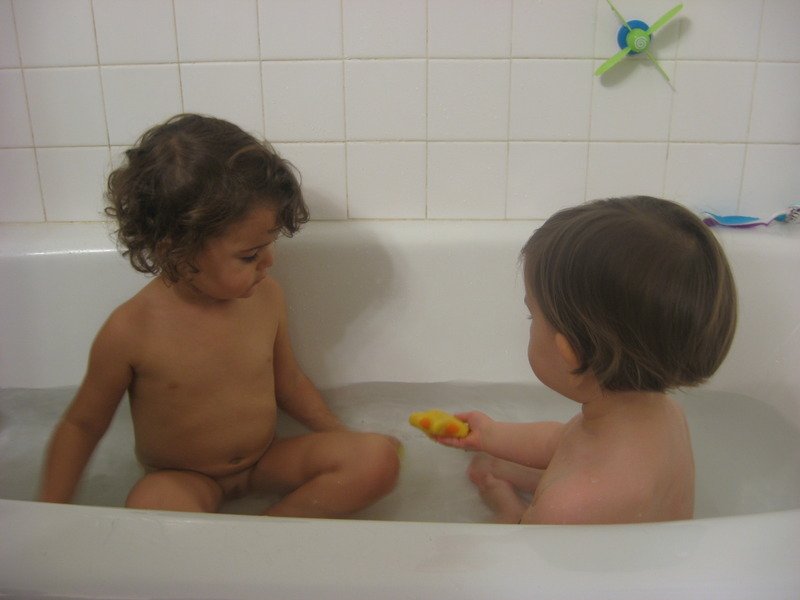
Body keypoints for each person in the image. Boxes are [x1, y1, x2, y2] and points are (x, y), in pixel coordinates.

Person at [39, 114, 400, 516]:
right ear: (176, 251)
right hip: (182, 477)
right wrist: (51, 512)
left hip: (265, 461)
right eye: (249, 255)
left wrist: (339, 434)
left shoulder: (266, 297)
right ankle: (247, 543)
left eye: (269, 245)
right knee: (153, 507)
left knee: (377, 459)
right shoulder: (131, 331)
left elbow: (289, 383)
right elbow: (83, 425)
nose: (269, 262)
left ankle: (269, 534)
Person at [437, 196, 737, 524]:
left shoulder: (564, 507)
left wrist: (506, 505)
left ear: (571, 355)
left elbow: (525, 549)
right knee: (493, 466)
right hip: (627, 532)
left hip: (573, 546)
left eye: (532, 316)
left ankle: (509, 503)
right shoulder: (666, 415)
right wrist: (491, 435)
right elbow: (563, 442)